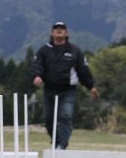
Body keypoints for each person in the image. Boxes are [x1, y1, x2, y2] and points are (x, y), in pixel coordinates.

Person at [32, 21, 99, 149]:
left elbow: (83, 71)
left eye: (62, 29)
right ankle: (56, 141)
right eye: (56, 28)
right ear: (52, 33)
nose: (59, 30)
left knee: (66, 115)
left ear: (66, 33)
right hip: (49, 89)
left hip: (68, 91)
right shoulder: (44, 50)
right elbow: (37, 65)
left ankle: (62, 145)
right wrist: (37, 76)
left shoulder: (75, 51)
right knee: (48, 119)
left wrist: (91, 86)